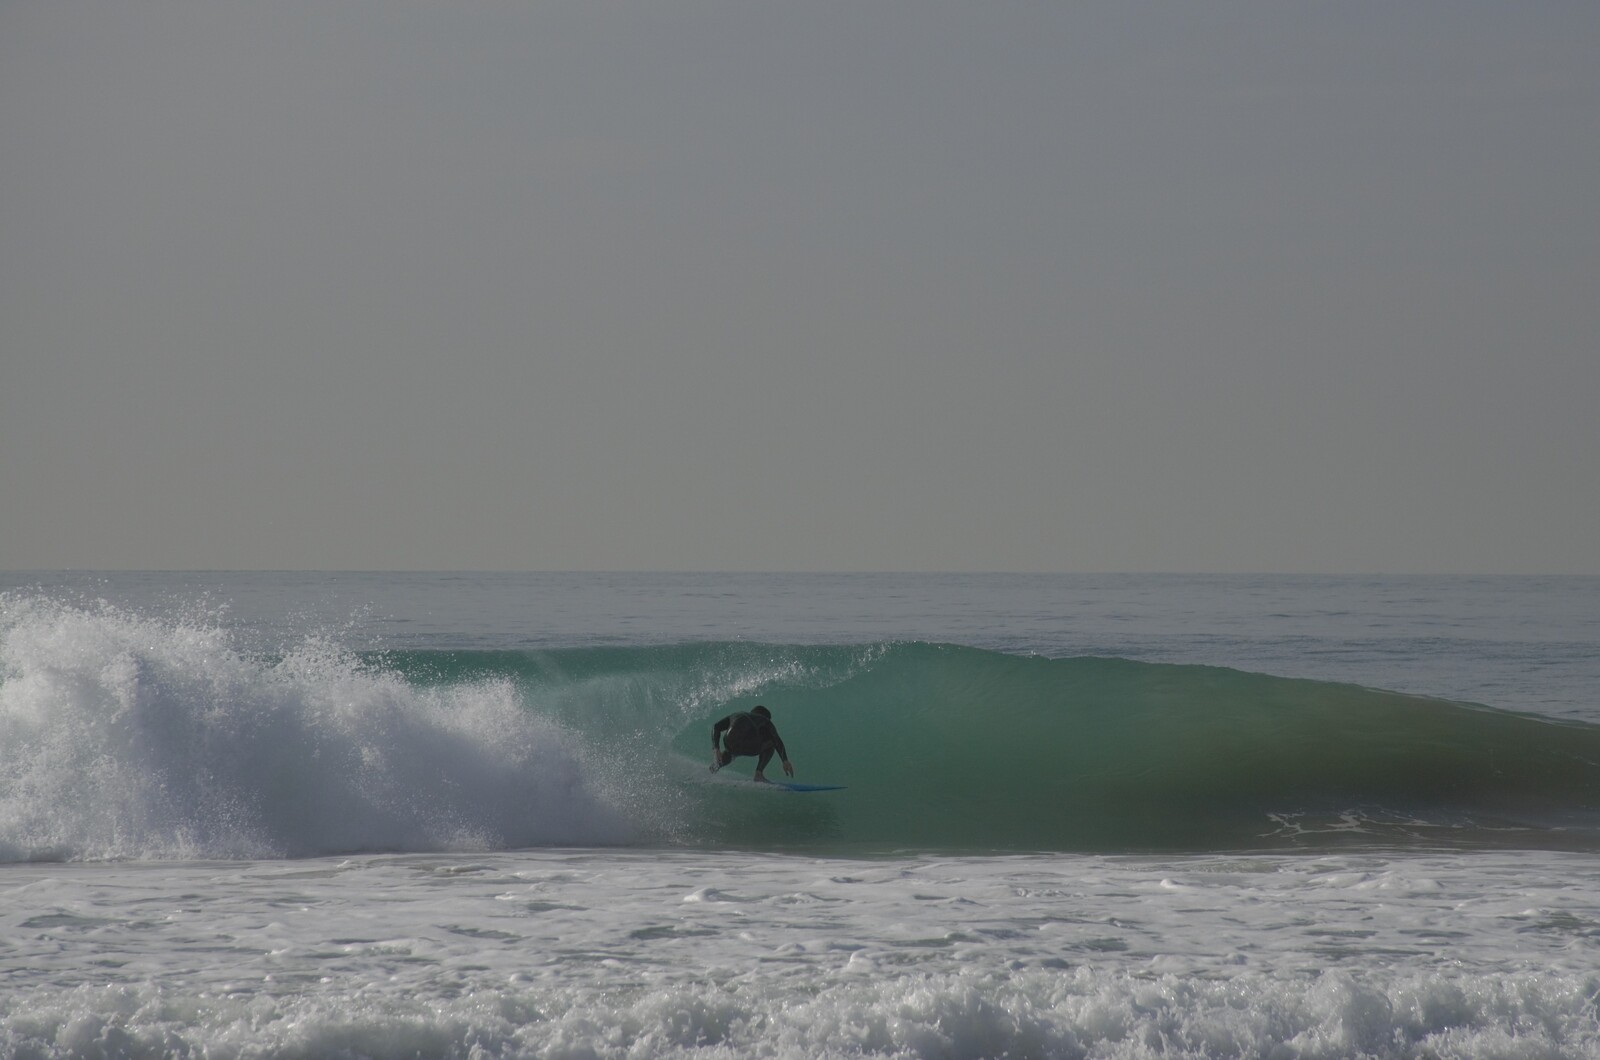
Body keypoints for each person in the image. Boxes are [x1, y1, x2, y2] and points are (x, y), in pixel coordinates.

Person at [710, 705, 794, 782]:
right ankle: (759, 774)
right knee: (771, 743)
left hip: (729, 741)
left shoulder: (738, 714)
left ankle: (713, 768)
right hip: (750, 746)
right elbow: (776, 739)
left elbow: (716, 727)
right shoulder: (765, 720)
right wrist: (784, 760)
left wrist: (716, 748)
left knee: (730, 752)